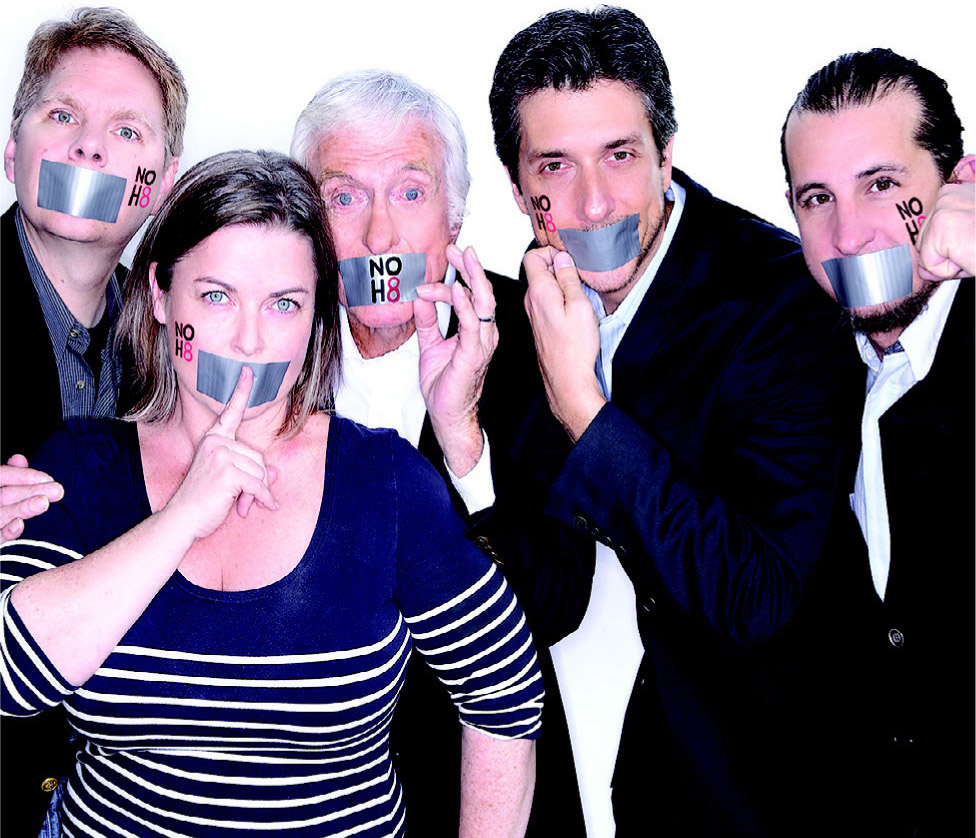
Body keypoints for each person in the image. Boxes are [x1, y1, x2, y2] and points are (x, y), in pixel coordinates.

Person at [0, 149, 541, 837]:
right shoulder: (80, 464)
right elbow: (10, 684)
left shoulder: (383, 480)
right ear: (163, 295)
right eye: (217, 296)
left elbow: (504, 692)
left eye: (283, 303)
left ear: (316, 318)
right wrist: (183, 516)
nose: (251, 339)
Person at [487, 8, 860, 836]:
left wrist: (583, 410)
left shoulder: (783, 301)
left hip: (759, 794)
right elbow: (537, 585)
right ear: (518, 190)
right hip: (582, 785)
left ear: (667, 154)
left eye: (620, 155)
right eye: (555, 165)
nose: (593, 202)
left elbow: (756, 592)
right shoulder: (518, 314)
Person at [290, 71, 583, 836]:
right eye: (344, 196)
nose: (379, 237)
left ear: (453, 217)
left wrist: (463, 441)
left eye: (411, 193)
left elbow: (555, 603)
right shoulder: (264, 347)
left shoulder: (527, 339)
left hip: (480, 787)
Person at [0, 8, 187, 833]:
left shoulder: (176, 349)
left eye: (126, 130)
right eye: (63, 116)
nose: (88, 147)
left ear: (164, 183)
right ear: (14, 153)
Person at [781, 48, 974, 834]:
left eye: (882, 185)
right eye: (816, 198)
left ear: (958, 184)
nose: (850, 236)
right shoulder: (798, 366)